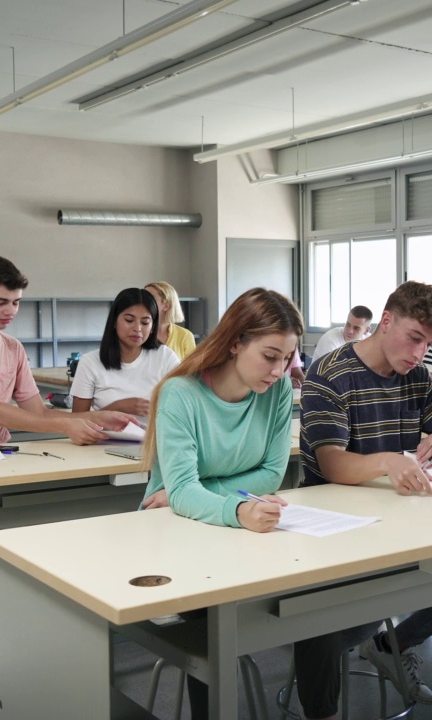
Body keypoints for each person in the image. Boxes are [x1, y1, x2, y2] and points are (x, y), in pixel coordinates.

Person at [0, 256, 135, 661]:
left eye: (15, 303)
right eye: (0, 302)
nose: (10, 312)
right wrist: (69, 427)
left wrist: (89, 417)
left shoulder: (14, 348)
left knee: (52, 501)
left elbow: (35, 411)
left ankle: (59, 605)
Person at [297, 280, 432, 719]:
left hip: (399, 516)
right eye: (415, 338)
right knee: (321, 616)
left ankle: (394, 642)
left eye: (429, 344)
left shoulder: (414, 377)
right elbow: (333, 465)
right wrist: (386, 461)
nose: (420, 354)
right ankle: (321, 710)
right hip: (332, 523)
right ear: (387, 320)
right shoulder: (330, 372)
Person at [137, 287, 303, 719]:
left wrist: (190, 491)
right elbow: (186, 492)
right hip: (174, 534)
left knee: (312, 606)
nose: (279, 370)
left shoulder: (278, 389)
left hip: (225, 521)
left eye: (287, 358)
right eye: (270, 356)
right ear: (235, 342)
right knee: (214, 631)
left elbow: (272, 472)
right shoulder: (181, 394)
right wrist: (234, 506)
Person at [70, 287, 180, 419]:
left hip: (155, 439)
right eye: (129, 320)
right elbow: (77, 420)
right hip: (106, 438)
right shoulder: (90, 362)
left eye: (145, 322)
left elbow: (184, 407)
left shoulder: (165, 357)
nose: (137, 329)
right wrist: (118, 408)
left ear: (152, 327)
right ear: (114, 321)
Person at [145, 281, 197, 360]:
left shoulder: (185, 336)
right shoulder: (140, 333)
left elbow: (192, 369)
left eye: (150, 298)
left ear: (166, 306)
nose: (143, 302)